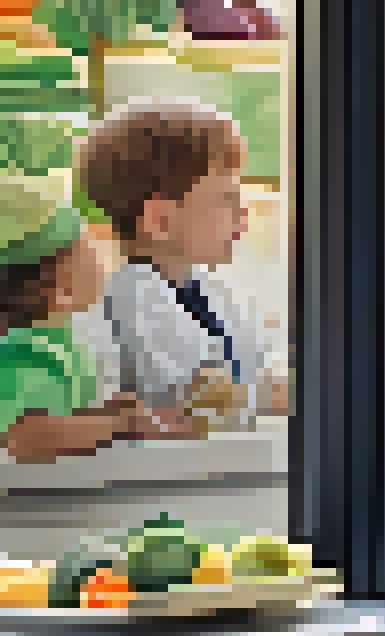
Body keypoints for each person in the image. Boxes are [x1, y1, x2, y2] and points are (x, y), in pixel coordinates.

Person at [72, 99, 286, 429]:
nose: (243, 213)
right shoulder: (132, 299)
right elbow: (196, 394)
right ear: (160, 220)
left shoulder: (212, 291)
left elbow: (255, 359)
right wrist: (274, 393)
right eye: (225, 199)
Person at [0, 167, 153, 462]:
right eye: (84, 243)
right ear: (60, 290)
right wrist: (116, 425)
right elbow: (27, 436)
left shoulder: (57, 341)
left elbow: (52, 414)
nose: (98, 249)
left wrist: (96, 415)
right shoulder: (22, 354)